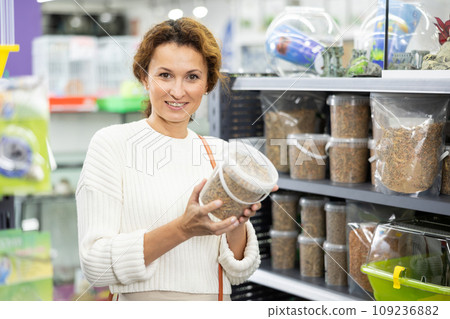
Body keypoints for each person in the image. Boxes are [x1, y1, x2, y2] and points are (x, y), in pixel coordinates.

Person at [76, 17, 277, 301]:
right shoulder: (112, 145)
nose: (178, 91)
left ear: (207, 84)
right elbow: (95, 265)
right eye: (165, 75)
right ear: (144, 77)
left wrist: (237, 223)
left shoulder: (219, 153)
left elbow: (239, 273)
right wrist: (183, 229)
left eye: (192, 77)